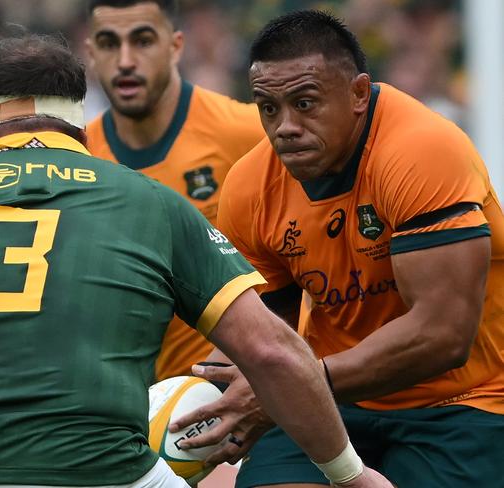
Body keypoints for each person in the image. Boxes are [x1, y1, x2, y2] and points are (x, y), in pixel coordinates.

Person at [0, 33, 391, 488]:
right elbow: (273, 354)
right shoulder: (151, 203)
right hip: (99, 470)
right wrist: (351, 475)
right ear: (80, 118)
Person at [171, 9, 504, 488]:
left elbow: (443, 336)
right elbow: (271, 326)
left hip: (462, 402)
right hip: (334, 402)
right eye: (268, 108)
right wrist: (223, 389)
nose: (284, 127)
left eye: (305, 103)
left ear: (358, 94)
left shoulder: (422, 150)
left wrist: (290, 386)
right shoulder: (248, 186)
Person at [84, 0, 266, 380]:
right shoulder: (81, 160)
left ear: (176, 46)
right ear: (90, 53)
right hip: (132, 405)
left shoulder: (245, 133)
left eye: (143, 40)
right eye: (108, 43)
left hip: (242, 392)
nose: (125, 60)